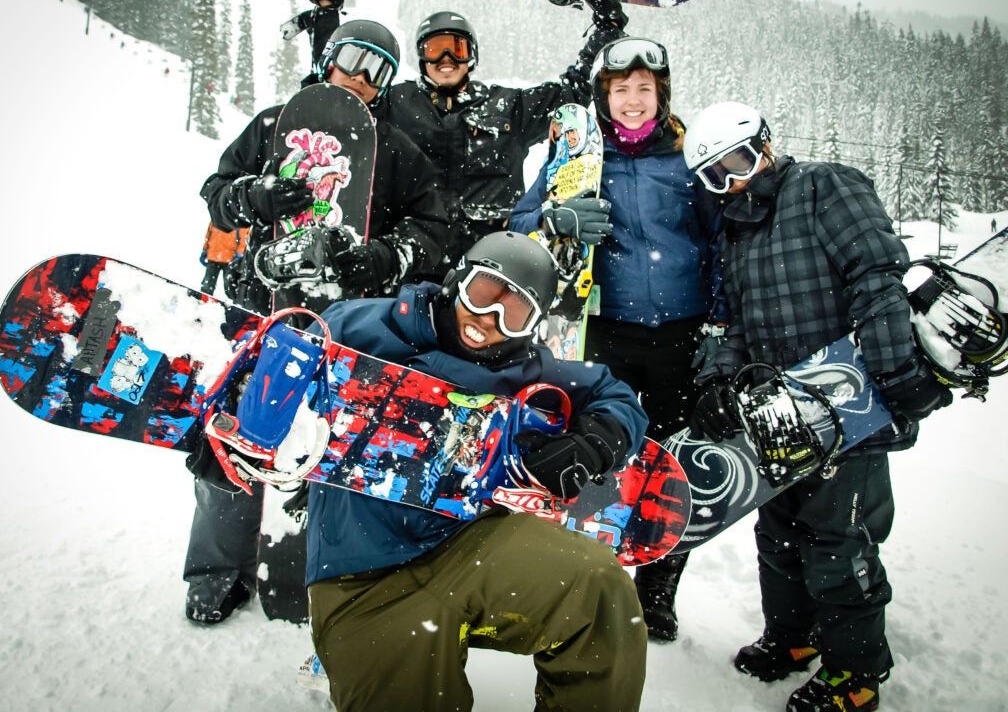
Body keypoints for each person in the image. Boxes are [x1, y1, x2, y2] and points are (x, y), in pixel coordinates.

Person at [682, 101, 953, 712]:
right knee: (777, 533)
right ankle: (793, 638)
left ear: (766, 146)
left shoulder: (823, 186)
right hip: (784, 413)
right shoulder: (734, 231)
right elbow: (732, 324)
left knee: (838, 541)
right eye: (716, 176)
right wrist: (719, 382)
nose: (735, 181)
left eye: (741, 161)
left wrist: (895, 371)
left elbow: (878, 276)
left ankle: (855, 673)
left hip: (852, 403)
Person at [306, 231, 649, 711]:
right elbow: (277, 370)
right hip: (362, 572)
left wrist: (595, 440)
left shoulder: (530, 370)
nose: (488, 318)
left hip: (468, 550)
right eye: (483, 292)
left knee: (597, 590)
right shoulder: (360, 326)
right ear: (455, 281)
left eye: (514, 311)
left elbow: (616, 395)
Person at [183, 19, 449, 624]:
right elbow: (215, 189)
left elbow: (435, 227)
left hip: (342, 328)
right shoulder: (275, 124)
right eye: (353, 60)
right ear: (329, 59)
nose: (360, 77)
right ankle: (217, 573)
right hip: (256, 311)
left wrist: (382, 257)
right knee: (231, 436)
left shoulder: (394, 148)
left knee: (321, 450)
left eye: (378, 69)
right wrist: (254, 196)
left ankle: (302, 575)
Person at [509, 35, 726, 642]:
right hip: (603, 336)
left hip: (680, 338)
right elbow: (521, 221)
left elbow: (720, 243)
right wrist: (557, 216)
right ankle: (594, 576)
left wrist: (719, 325)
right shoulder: (579, 156)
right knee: (605, 454)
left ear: (662, 95)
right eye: (621, 89)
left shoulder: (685, 159)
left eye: (645, 90)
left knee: (672, 464)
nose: (634, 101)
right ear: (604, 97)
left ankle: (657, 591)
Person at [374, 0, 628, 280]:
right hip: (414, 259)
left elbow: (571, 92)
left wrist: (606, 31)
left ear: (472, 55)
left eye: (456, 48)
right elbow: (344, 103)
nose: (446, 60)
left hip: (492, 262)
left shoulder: (506, 105)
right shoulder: (396, 103)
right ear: (421, 58)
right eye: (434, 50)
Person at [295, 0, 354, 87]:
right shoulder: (323, 95)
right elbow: (327, 60)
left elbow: (326, 59)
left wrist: (326, 7)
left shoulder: (320, 93)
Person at [199, 221, 249, 298]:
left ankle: (233, 302)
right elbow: (209, 233)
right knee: (208, 283)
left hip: (230, 259)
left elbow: (244, 238)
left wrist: (239, 254)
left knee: (229, 287)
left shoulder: (237, 218)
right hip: (214, 255)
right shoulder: (216, 215)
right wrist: (205, 249)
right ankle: (204, 300)